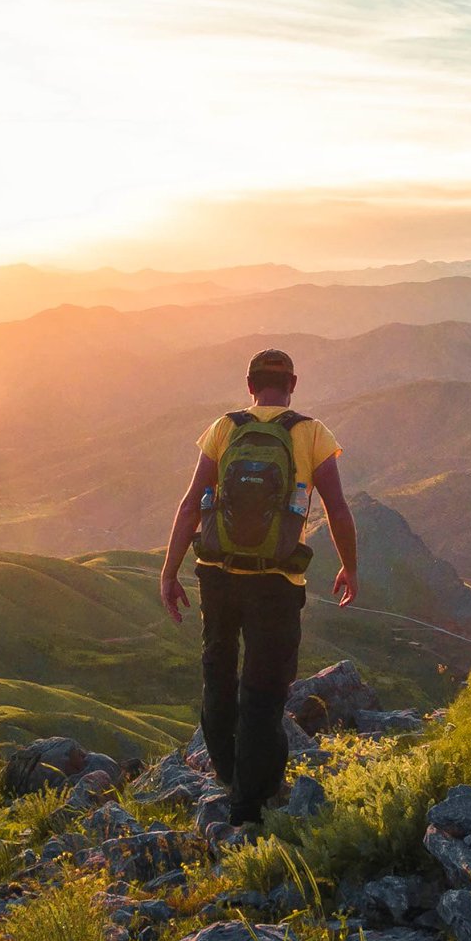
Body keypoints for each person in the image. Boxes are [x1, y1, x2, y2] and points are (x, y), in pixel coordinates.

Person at [159, 347, 359, 827]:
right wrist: (350, 567)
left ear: (249, 386)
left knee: (218, 675)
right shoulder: (311, 433)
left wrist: (169, 572)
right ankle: (248, 806)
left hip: (217, 574)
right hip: (276, 582)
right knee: (265, 691)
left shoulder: (224, 428)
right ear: (293, 384)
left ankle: (233, 778)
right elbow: (336, 507)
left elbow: (191, 505)